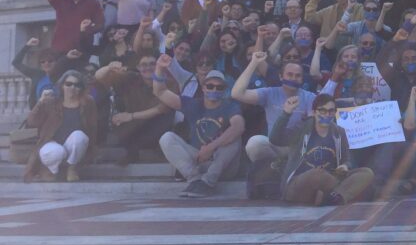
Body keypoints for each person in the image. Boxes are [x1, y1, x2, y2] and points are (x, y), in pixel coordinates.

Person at [153, 55, 244, 197]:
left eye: (219, 87)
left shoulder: (230, 105)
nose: (214, 89)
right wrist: (159, 69)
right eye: (210, 86)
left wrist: (210, 147)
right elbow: (161, 92)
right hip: (200, 160)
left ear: (224, 89)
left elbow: (239, 127)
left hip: (223, 165)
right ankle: (195, 180)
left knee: (234, 138)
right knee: (167, 138)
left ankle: (208, 182)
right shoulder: (193, 104)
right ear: (203, 88)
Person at [269, 93, 375, 206]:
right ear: (314, 112)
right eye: (322, 111)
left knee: (366, 173)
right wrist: (286, 113)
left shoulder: (339, 132)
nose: (327, 115)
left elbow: (347, 159)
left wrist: (344, 166)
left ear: (335, 113)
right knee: (317, 174)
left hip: (329, 179)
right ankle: (337, 193)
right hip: (299, 182)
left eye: (330, 111)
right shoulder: (301, 129)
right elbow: (275, 139)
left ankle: (332, 197)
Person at [232, 51, 316, 175]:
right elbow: (236, 93)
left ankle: (287, 170)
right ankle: (272, 171)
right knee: (254, 143)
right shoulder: (269, 93)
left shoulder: (310, 97)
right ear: (281, 77)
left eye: (297, 76)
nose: (293, 78)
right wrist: (254, 63)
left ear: (302, 79)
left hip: (300, 148)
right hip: (275, 146)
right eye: (289, 75)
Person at [94, 55, 172, 165]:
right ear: (138, 67)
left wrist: (131, 116)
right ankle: (132, 153)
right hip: (135, 128)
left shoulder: (168, 81)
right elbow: (99, 77)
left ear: (158, 66)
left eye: (152, 64)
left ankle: (158, 150)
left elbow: (160, 109)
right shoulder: (131, 79)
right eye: (144, 65)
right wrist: (109, 68)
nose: (148, 68)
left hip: (156, 127)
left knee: (167, 117)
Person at [22, 69, 97, 183]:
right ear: (62, 86)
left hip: (73, 146)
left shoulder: (88, 103)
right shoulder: (51, 102)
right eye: (68, 84)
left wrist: (93, 149)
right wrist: (40, 102)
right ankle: (54, 170)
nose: (72, 88)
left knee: (79, 136)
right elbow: (32, 122)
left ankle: (71, 168)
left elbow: (93, 127)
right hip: (52, 143)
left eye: (77, 85)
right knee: (55, 152)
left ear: (81, 88)